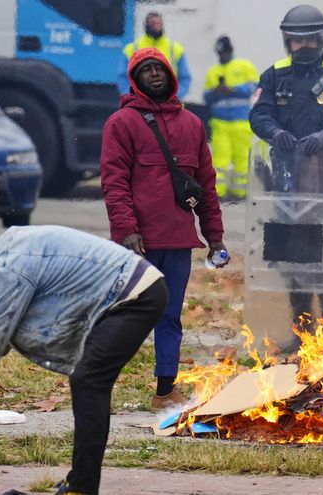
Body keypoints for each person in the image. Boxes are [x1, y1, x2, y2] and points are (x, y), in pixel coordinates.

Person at [0, 222, 168, 495]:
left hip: (134, 296)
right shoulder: (4, 255)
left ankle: (82, 488)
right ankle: (81, 484)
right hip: (135, 290)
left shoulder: (4, 273)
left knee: (88, 382)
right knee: (88, 382)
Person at [101, 47, 226, 412]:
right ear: (135, 80)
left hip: (178, 241)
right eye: (146, 70)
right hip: (136, 242)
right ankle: (98, 386)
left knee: (169, 316)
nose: (154, 74)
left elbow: (205, 184)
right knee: (123, 314)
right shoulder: (120, 123)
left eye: (159, 69)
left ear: (170, 75)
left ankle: (164, 391)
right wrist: (126, 229)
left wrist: (215, 236)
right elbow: (114, 182)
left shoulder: (192, 124)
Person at [248, 4, 323, 322]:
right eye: (297, 40)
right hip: (286, 183)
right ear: (287, 41)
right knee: (291, 256)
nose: (304, 45)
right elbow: (258, 114)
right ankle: (300, 330)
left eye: (312, 39)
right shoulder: (274, 75)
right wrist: (275, 132)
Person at [203, 35, 260, 199]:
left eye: (224, 53)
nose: (222, 56)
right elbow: (206, 97)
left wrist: (232, 90)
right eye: (219, 53)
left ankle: (240, 192)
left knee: (241, 159)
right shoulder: (213, 72)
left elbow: (254, 87)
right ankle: (218, 192)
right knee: (220, 160)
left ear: (230, 51)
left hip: (241, 122)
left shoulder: (244, 66)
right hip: (220, 123)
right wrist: (216, 92)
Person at [117, 12, 191, 100]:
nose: (157, 26)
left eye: (159, 23)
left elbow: (185, 78)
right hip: (139, 104)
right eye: (153, 23)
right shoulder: (131, 48)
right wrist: (132, 97)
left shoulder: (175, 49)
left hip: (170, 105)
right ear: (146, 25)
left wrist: (174, 96)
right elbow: (122, 77)